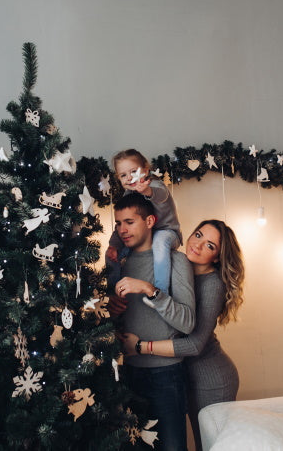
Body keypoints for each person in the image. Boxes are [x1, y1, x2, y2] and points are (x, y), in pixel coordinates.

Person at [121, 219, 245, 451]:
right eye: (198, 235)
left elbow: (195, 344)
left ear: (217, 257)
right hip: (183, 375)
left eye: (210, 246)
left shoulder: (212, 284)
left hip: (211, 380)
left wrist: (141, 347)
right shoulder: (175, 267)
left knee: (210, 446)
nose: (197, 245)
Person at [108, 193, 195, 451]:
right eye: (118, 224)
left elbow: (188, 323)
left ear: (150, 221)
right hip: (128, 374)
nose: (122, 230)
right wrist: (112, 310)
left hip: (166, 376)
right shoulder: (118, 266)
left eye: (129, 222)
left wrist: (150, 290)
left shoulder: (177, 261)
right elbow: (116, 319)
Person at [106, 149, 181, 297]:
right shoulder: (128, 194)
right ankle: (113, 293)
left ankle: (160, 292)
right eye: (123, 175)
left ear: (145, 171)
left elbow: (161, 196)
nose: (129, 178)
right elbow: (122, 224)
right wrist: (113, 245)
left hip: (168, 233)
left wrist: (146, 190)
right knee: (111, 253)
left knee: (159, 242)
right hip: (145, 236)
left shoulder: (156, 185)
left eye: (134, 172)